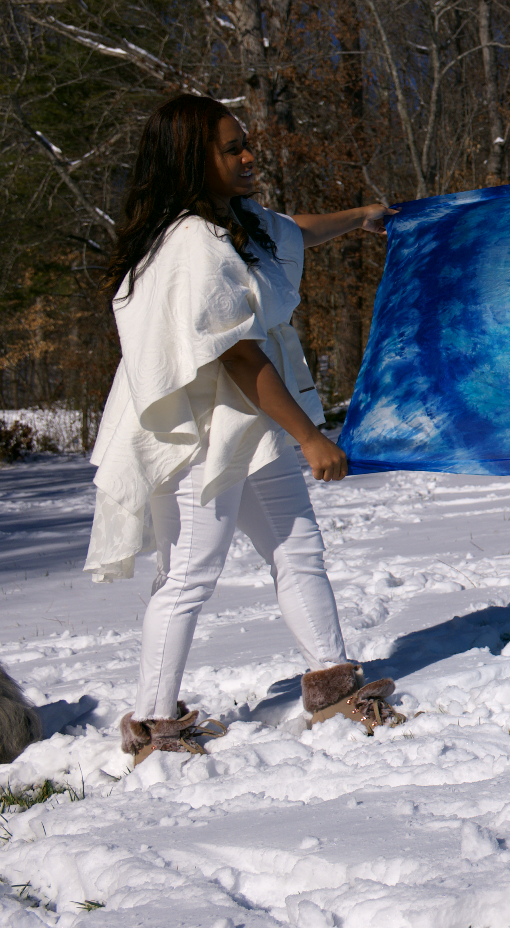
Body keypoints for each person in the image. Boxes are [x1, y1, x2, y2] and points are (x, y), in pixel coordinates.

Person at [87, 95, 404, 766]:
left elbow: (293, 231)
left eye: (246, 143)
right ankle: (153, 723)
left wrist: (362, 217)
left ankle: (332, 681)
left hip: (248, 423)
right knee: (189, 574)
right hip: (200, 432)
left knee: (297, 546)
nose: (250, 156)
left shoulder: (237, 221)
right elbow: (235, 353)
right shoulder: (190, 242)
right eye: (233, 149)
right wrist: (310, 437)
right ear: (191, 160)